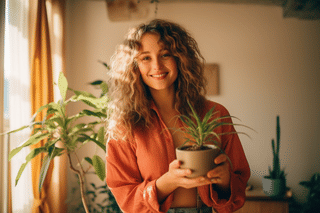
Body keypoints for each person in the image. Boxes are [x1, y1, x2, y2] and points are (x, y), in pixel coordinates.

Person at [106, 19, 250, 213]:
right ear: (134, 66)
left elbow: (238, 189)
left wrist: (225, 181)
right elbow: (126, 199)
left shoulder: (216, 114)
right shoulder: (125, 126)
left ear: (181, 59)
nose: (157, 65)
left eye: (165, 54)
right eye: (145, 58)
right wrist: (167, 183)